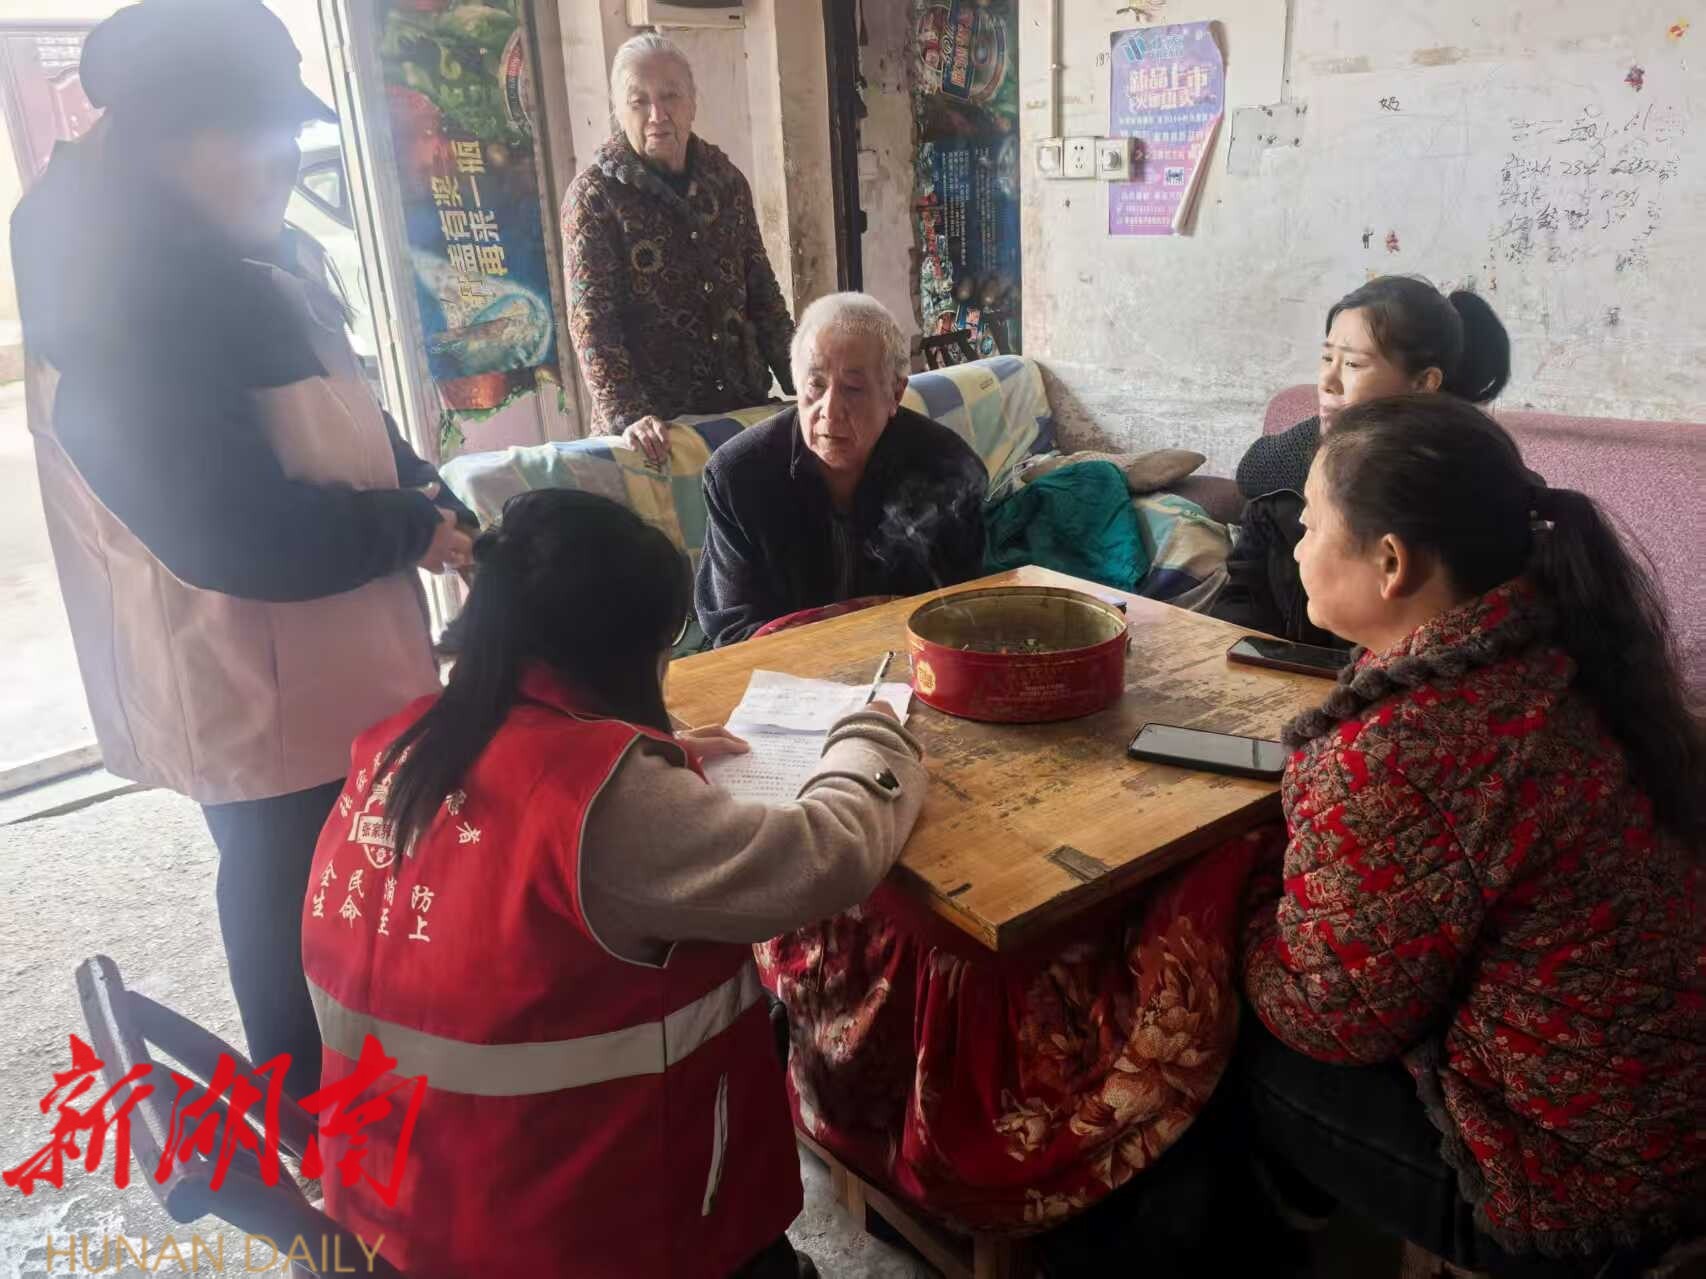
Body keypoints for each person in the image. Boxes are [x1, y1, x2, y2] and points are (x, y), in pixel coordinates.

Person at [10, 0, 474, 1102]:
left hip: (335, 662)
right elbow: (232, 533)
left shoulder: (238, 243)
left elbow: (341, 404)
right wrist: (409, 528)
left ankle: (389, 1102)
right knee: (289, 894)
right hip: (255, 688)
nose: (286, 164)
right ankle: (317, 1131)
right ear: (173, 138)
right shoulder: (111, 295)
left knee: (363, 893)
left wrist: (423, 485)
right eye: (262, 139)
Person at [302, 490, 929, 1278]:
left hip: (394, 1208)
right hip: (572, 1236)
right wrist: (873, 737)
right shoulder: (607, 811)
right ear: (619, 649)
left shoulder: (396, 747)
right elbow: (825, 855)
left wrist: (642, 759)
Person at [1238, 395, 1705, 1274]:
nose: (1295, 547)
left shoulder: (1402, 749)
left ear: (1390, 562)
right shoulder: (1555, 645)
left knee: (1229, 1044)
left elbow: (1331, 1017)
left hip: (1580, 1185)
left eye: (1309, 524)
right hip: (1664, 1114)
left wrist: (1240, 911)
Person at [1211, 275, 1512, 645]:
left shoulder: (1474, 489)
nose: (1327, 380)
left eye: (1353, 364)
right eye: (1326, 358)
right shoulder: (1284, 484)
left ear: (1423, 383)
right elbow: (1241, 598)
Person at [696, 292, 987, 647]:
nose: (830, 411)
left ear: (895, 393)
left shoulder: (946, 467)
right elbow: (733, 630)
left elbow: (963, 607)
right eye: (816, 385)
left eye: (853, 388)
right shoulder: (738, 477)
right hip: (783, 667)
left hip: (906, 661)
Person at [562, 33, 795, 466]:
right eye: (639, 101)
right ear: (618, 111)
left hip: (738, 414)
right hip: (655, 435)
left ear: (692, 103)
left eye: (670, 96)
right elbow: (592, 323)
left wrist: (806, 378)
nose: (657, 115)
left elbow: (763, 294)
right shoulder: (595, 197)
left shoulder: (726, 181)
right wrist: (630, 415)